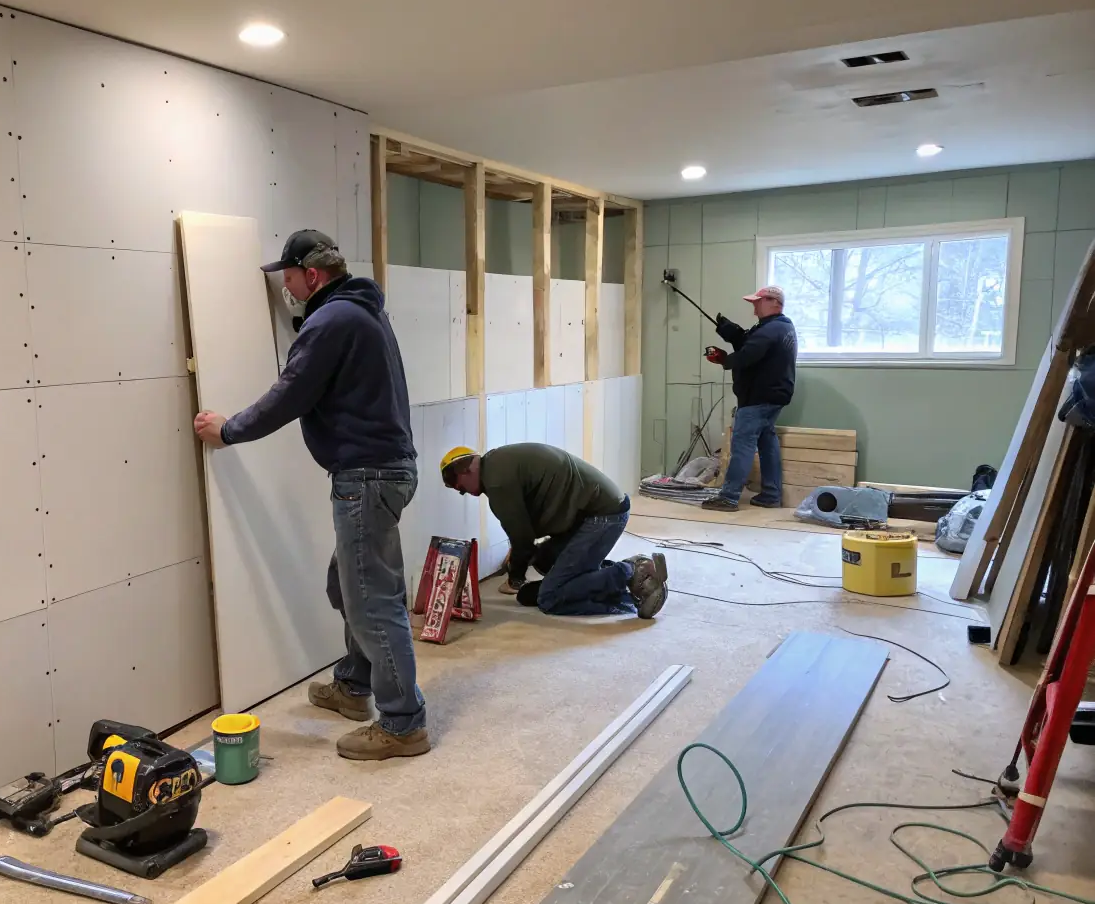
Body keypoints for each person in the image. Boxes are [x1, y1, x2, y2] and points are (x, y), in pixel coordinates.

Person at [193, 230, 428, 762]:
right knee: (347, 586)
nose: (285, 286)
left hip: (366, 476)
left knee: (372, 600)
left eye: (289, 276)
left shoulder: (332, 320)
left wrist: (229, 430)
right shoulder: (362, 313)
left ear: (312, 276)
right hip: (382, 471)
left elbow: (290, 393)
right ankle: (353, 685)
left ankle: (402, 723)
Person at [439, 443, 668, 618]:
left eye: (459, 487)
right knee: (544, 560)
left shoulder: (497, 482)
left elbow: (523, 540)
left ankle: (629, 572)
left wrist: (515, 577)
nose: (463, 492)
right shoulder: (498, 463)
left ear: (465, 471)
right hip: (596, 511)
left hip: (602, 516)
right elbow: (527, 536)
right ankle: (624, 575)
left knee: (549, 598)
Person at [702, 285, 798, 512]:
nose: (754, 308)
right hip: (774, 396)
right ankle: (771, 495)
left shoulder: (771, 329)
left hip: (758, 397)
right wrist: (733, 333)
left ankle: (728, 497)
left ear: (774, 302)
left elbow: (748, 354)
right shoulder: (780, 327)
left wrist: (724, 360)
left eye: (758, 302)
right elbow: (751, 342)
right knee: (767, 442)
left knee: (742, 444)